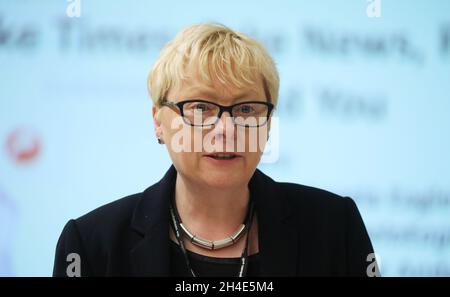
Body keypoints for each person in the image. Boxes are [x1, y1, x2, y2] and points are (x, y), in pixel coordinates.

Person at [53, 23, 378, 277]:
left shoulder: (335, 227)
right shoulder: (92, 244)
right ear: (158, 121)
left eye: (247, 109)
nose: (226, 129)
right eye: (199, 108)